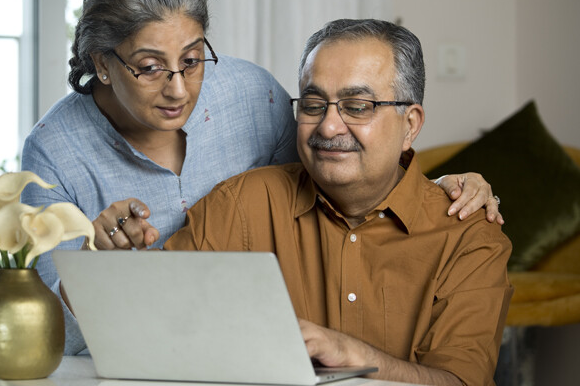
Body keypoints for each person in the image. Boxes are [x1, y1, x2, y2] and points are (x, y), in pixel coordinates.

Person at [21, 0, 502, 356]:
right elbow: (48, 337)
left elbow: (335, 172)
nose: (178, 89)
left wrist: (422, 189)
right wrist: (91, 269)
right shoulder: (54, 153)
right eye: (150, 67)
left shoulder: (254, 96)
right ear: (103, 64)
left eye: (191, 60)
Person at [161, 19, 513, 385]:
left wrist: (360, 359)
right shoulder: (242, 204)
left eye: (357, 106)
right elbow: (155, 321)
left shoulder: (468, 236)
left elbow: (461, 380)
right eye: (313, 105)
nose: (328, 127)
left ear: (410, 125)